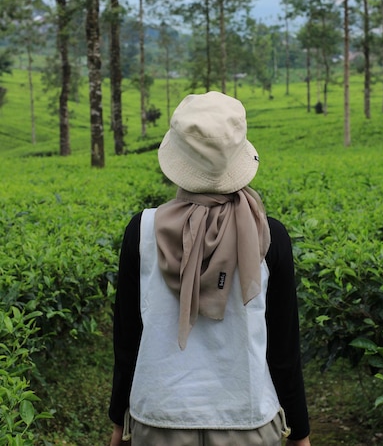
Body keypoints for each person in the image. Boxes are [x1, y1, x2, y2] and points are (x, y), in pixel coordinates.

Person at [108, 91, 311, 446]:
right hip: (247, 418)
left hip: (158, 416)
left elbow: (128, 339)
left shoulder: (141, 231)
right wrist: (300, 431)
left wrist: (117, 420)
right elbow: (283, 347)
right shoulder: (268, 235)